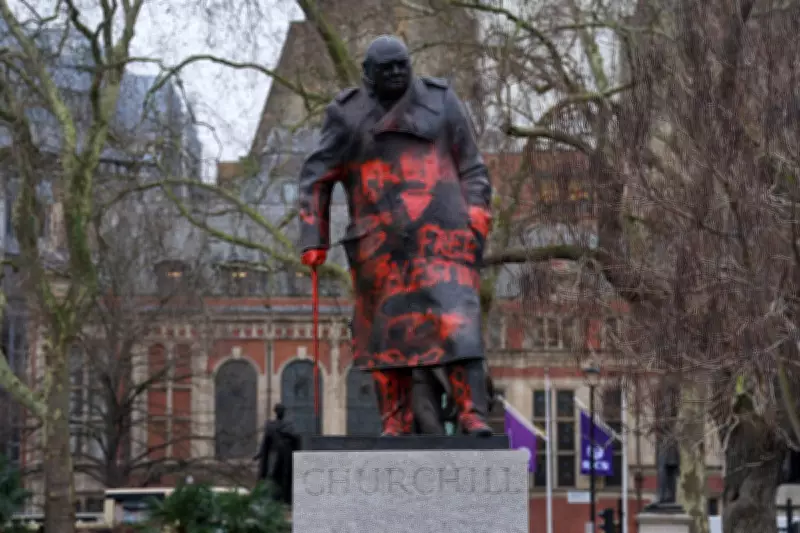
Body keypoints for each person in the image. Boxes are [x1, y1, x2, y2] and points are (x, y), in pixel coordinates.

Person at [298, 34, 493, 437]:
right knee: (388, 337)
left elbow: (473, 166)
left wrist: (475, 219)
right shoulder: (347, 115)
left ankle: (472, 413)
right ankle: (395, 419)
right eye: (386, 68)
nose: (396, 73)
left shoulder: (442, 102)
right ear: (368, 75)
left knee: (459, 326)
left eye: (402, 64)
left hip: (443, 239)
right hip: (380, 246)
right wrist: (312, 237)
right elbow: (316, 175)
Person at [255, 403, 300, 505]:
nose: (281, 412)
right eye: (279, 410)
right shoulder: (270, 425)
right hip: (274, 455)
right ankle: (272, 498)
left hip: (286, 456)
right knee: (272, 476)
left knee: (285, 477)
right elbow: (265, 442)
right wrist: (259, 453)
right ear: (276, 412)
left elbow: (296, 439)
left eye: (282, 411)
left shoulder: (289, 425)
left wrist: (289, 435)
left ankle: (285, 499)